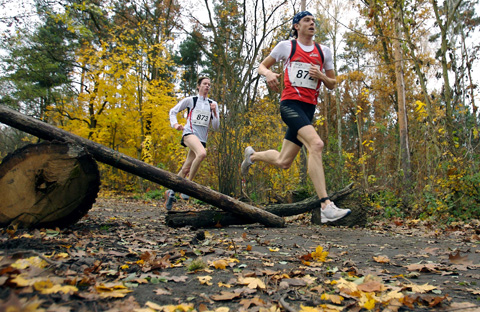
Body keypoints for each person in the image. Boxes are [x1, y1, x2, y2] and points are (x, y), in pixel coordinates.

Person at [241, 11, 351, 223]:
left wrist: (321, 76)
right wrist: (269, 74)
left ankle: (252, 156)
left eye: (313, 21)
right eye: (306, 21)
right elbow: (261, 66)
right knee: (316, 144)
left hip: (308, 109)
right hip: (290, 105)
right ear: (296, 26)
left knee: (284, 161)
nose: (312, 24)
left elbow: (333, 83)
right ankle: (326, 205)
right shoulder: (287, 47)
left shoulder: (323, 51)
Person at [165, 77, 220, 210]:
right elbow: (173, 111)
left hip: (201, 139)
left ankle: (170, 192)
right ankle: (188, 187)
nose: (207, 86)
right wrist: (175, 124)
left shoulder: (213, 104)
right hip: (189, 134)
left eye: (209, 84)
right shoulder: (191, 100)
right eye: (205, 84)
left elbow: (216, 127)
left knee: (185, 168)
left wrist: (214, 112)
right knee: (202, 154)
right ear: (199, 86)